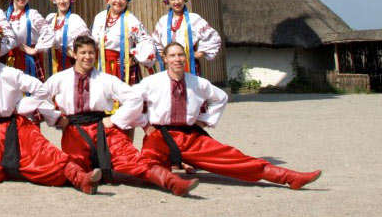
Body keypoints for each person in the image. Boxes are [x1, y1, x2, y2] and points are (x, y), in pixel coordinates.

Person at [124, 42, 321, 190]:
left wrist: (205, 119)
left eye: (180, 55)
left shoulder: (198, 83)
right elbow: (131, 100)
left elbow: (220, 98)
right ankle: (174, 183)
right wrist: (145, 125)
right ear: (165, 59)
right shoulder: (152, 82)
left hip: (190, 136)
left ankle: (289, 177)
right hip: (159, 136)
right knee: (143, 167)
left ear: (185, 58)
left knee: (234, 159)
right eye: (173, 56)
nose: (177, 59)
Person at [41, 35, 197, 196]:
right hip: (74, 130)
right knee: (71, 163)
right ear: (74, 54)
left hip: (103, 127)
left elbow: (134, 98)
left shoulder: (106, 79)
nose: (87, 57)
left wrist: (115, 119)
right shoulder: (59, 79)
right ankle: (85, 181)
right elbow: (40, 97)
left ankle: (175, 184)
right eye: (83, 53)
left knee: (132, 159)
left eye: (91, 53)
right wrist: (57, 118)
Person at [0, 33, 101, 194]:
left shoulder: (11, 73)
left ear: (0, 52)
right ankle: (16, 168)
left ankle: (82, 179)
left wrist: (22, 106)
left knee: (45, 154)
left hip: (15, 125)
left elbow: (41, 89)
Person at [91, 0, 156, 85]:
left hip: (122, 69)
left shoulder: (131, 20)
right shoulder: (100, 17)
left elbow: (145, 40)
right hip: (101, 67)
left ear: (127, 1)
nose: (118, 1)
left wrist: (134, 57)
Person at [151, 0, 222, 75]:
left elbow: (213, 37)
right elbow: (155, 41)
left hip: (189, 64)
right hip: (170, 66)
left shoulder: (194, 19)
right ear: (168, 1)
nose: (176, 2)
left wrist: (199, 53)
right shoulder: (163, 21)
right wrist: (163, 56)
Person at [2, 0, 53, 80]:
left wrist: (35, 50)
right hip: (9, 59)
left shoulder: (33, 15)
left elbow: (48, 32)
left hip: (28, 60)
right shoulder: (5, 16)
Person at [45, 0, 89, 75]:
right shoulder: (50, 19)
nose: (62, 1)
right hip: (53, 63)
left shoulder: (75, 20)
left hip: (69, 63)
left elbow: (84, 44)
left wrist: (67, 51)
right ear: (54, 0)